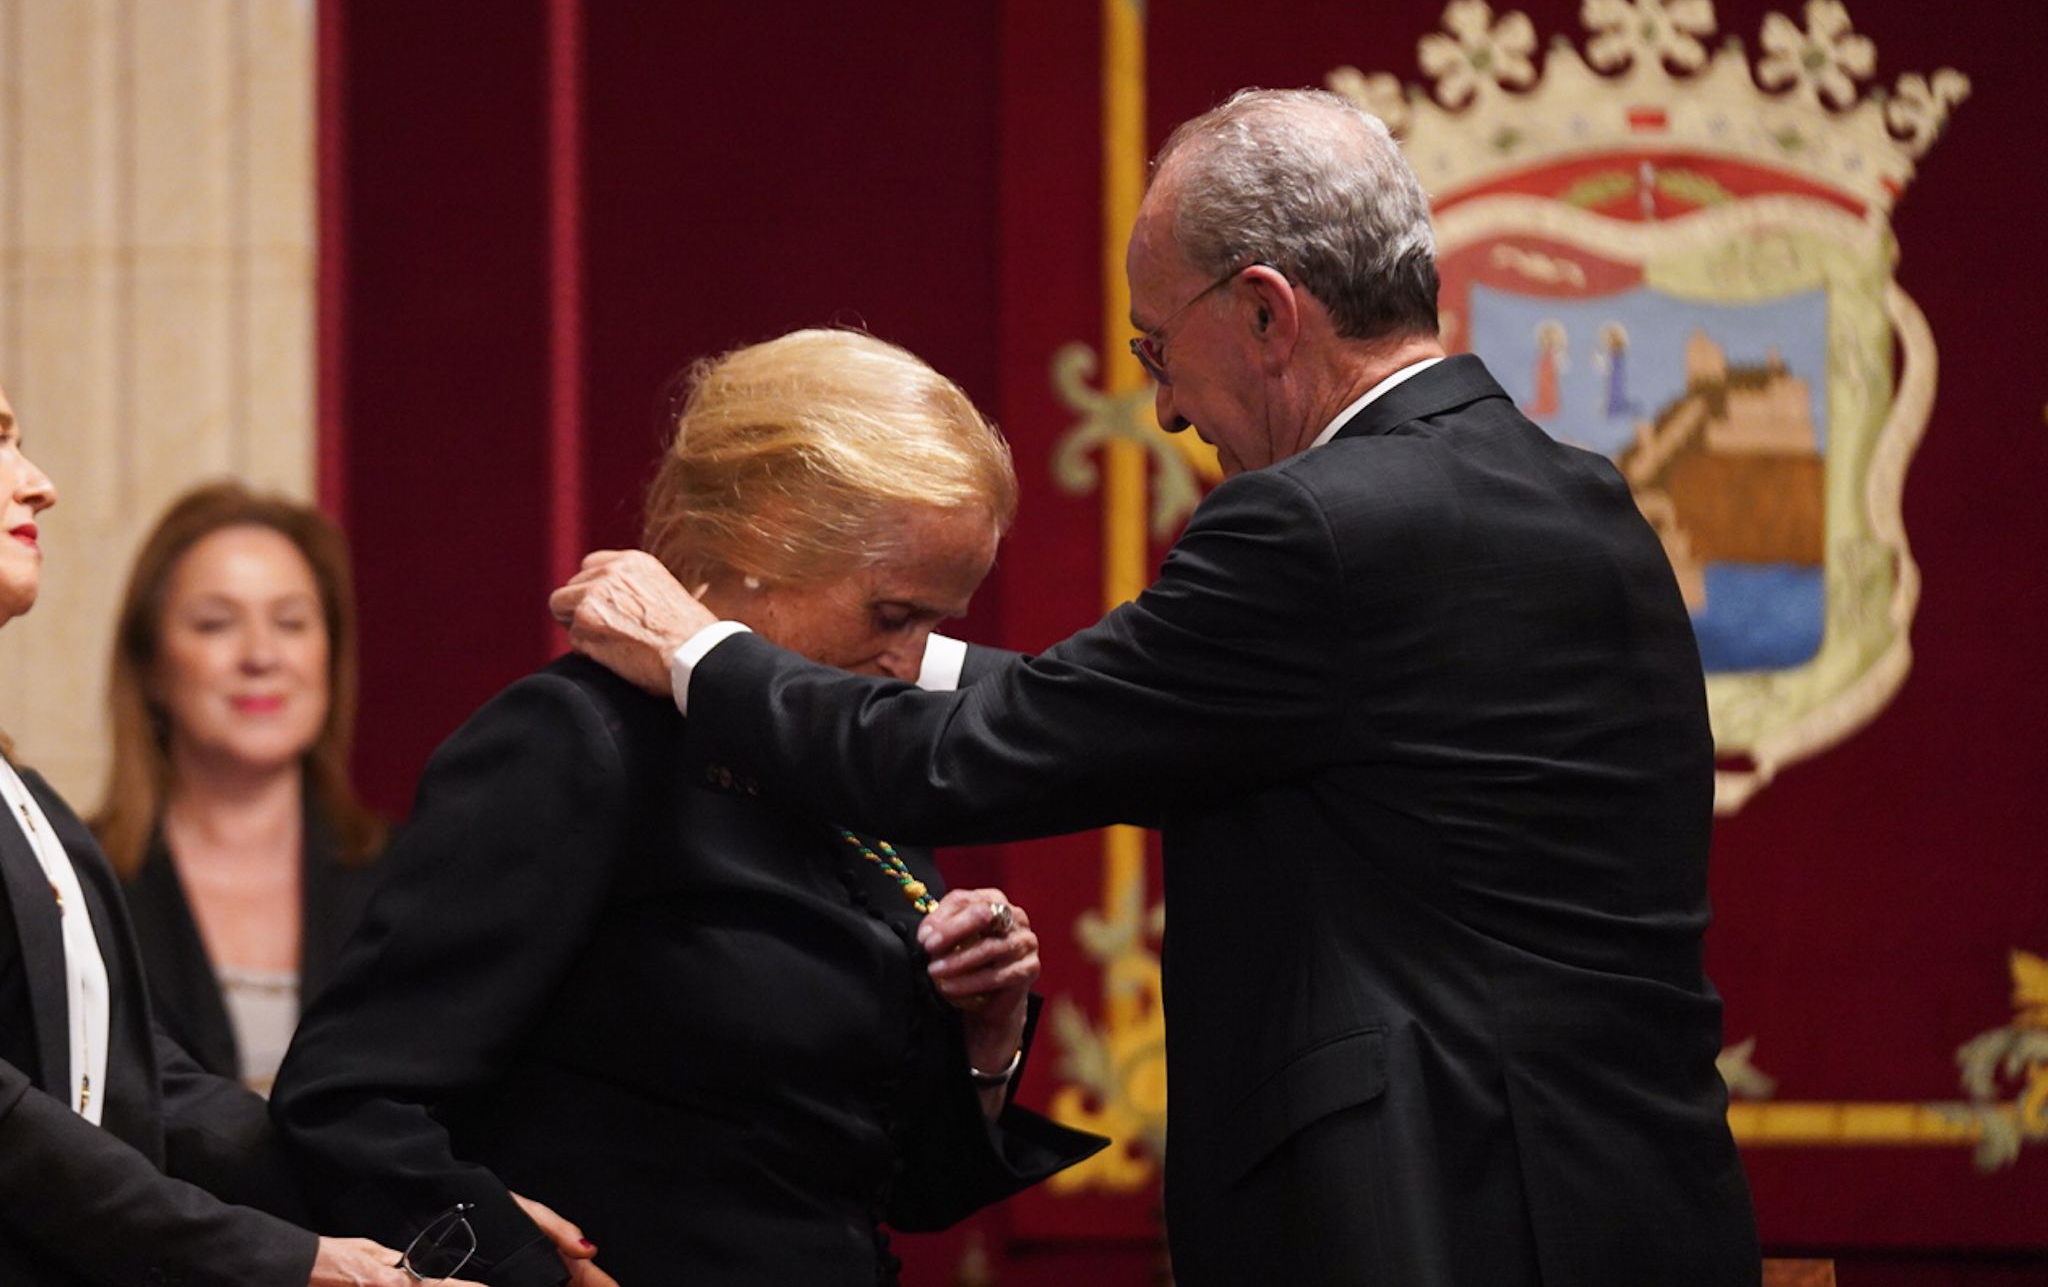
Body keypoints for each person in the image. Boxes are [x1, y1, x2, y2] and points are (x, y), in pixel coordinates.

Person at [551, 89, 1763, 1287]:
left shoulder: (1315, 525)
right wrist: (881, 650)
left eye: (1155, 348)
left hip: (1433, 1215)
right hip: (1638, 1202)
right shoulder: (1583, 500)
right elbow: (1123, 714)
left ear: (1262, 310)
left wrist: (695, 652)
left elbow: (969, 760)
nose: (1170, 405)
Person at [272, 329, 1105, 1287]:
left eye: (935, 624)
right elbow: (349, 1101)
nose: (913, 666)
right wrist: (520, 1267)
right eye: (892, 616)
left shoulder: (846, 765)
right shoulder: (573, 741)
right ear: (771, 533)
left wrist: (985, 1035)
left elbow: (888, 1185)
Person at [0, 384, 599, 1285]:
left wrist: (446, 1203)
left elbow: (150, 1088)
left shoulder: (26, 800)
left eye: (291, 622)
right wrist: (291, 1259)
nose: (40, 482)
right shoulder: (87, 837)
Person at [93, 481, 387, 1094]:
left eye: (290, 622)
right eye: (215, 623)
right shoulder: (73, 886)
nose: (261, 655)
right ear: (150, 665)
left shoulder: (412, 879)